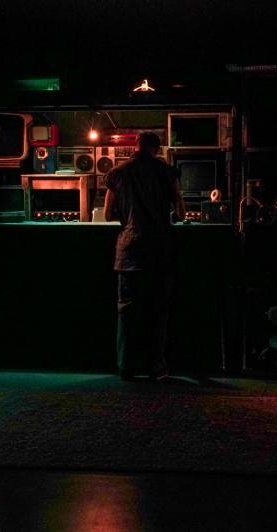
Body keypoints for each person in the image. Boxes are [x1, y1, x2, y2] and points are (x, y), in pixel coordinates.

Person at [104, 132, 185, 381]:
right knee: (157, 312)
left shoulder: (117, 173)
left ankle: (126, 366)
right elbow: (181, 213)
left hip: (129, 252)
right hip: (159, 251)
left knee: (127, 313)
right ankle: (156, 367)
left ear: (135, 146)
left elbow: (107, 214)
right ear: (156, 149)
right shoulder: (168, 172)